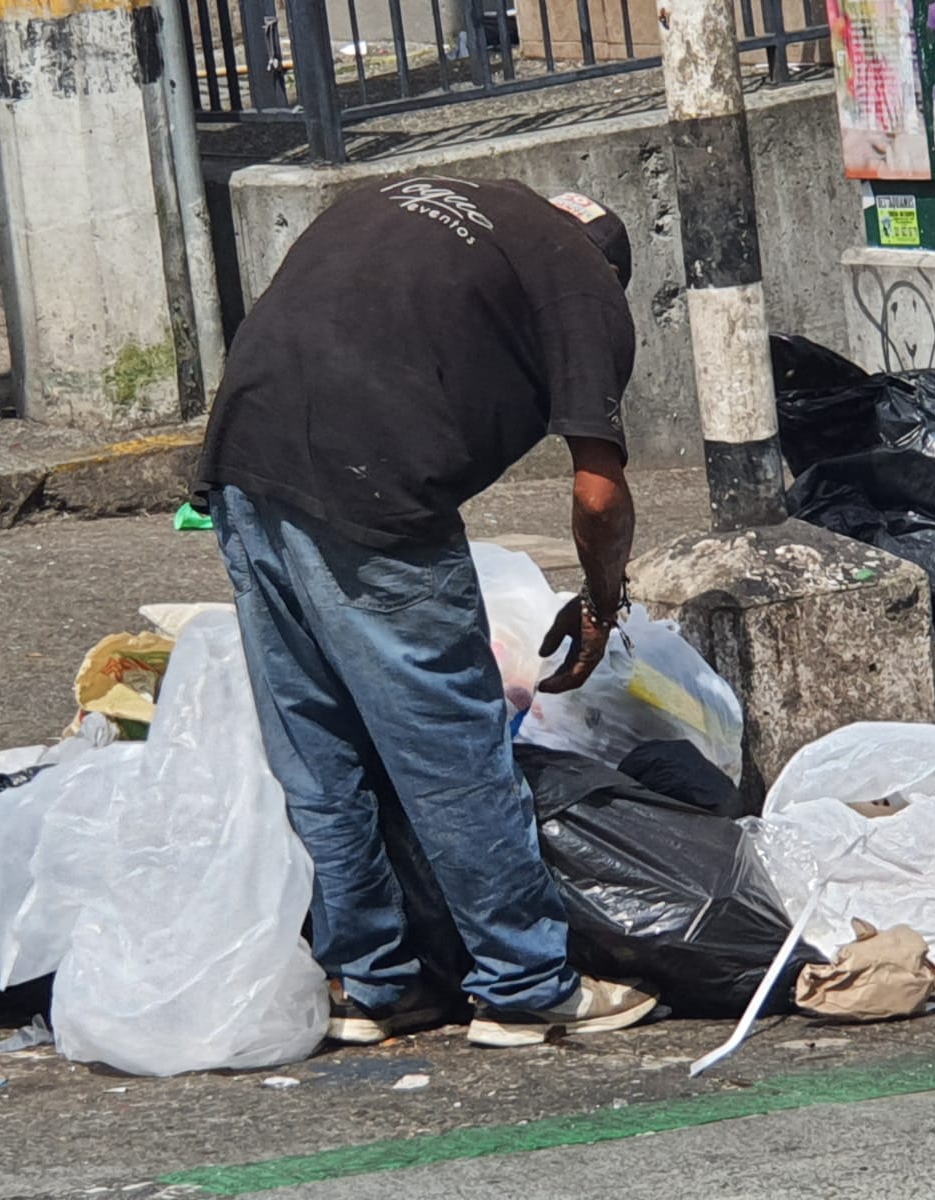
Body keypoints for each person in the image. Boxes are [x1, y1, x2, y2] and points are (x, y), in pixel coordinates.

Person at [194, 175, 655, 1048]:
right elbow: (599, 497)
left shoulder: (417, 199)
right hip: (372, 486)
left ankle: (371, 986)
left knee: (319, 744)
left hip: (242, 457)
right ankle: (523, 983)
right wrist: (600, 601)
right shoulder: (584, 284)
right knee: (451, 745)